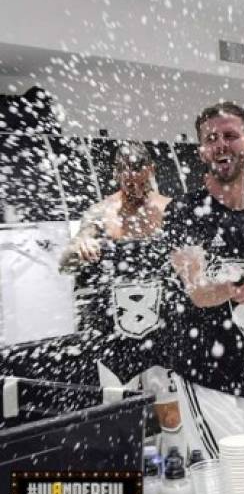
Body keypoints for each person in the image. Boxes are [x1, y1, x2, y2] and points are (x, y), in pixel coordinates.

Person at [163, 101, 244, 460]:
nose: (221, 144)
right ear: (202, 151)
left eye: (231, 136)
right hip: (207, 372)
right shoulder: (184, 212)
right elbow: (199, 293)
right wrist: (237, 288)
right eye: (211, 138)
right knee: (232, 483)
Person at [58, 141, 182, 455]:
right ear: (117, 175)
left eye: (142, 183)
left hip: (160, 329)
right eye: (129, 183)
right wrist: (81, 245)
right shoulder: (99, 214)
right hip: (114, 333)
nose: (136, 190)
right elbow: (64, 262)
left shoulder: (169, 210)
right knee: (117, 418)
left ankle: (178, 474)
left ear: (152, 172)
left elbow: (192, 263)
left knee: (171, 412)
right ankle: (127, 486)